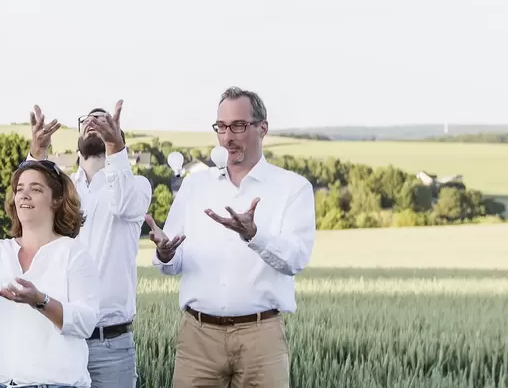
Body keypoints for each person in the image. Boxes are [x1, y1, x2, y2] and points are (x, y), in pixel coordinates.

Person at [149, 87, 316, 388]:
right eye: (221, 127)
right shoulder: (195, 186)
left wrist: (254, 235)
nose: (228, 137)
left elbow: (295, 258)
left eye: (238, 126)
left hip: (261, 337)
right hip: (197, 336)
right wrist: (165, 254)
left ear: (262, 128)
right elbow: (173, 262)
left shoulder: (293, 188)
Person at [25, 103, 149, 388]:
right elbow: (26, 211)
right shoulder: (60, 190)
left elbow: (125, 206)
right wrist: (37, 154)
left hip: (111, 346)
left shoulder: (137, 186)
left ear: (118, 136)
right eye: (87, 120)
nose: (93, 122)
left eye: (103, 120)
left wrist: (114, 146)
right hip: (60, 339)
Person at [0, 159, 101, 388]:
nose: (24, 195)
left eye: (36, 189)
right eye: (19, 189)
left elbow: (85, 323)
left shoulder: (74, 254)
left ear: (57, 199)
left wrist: (39, 301)